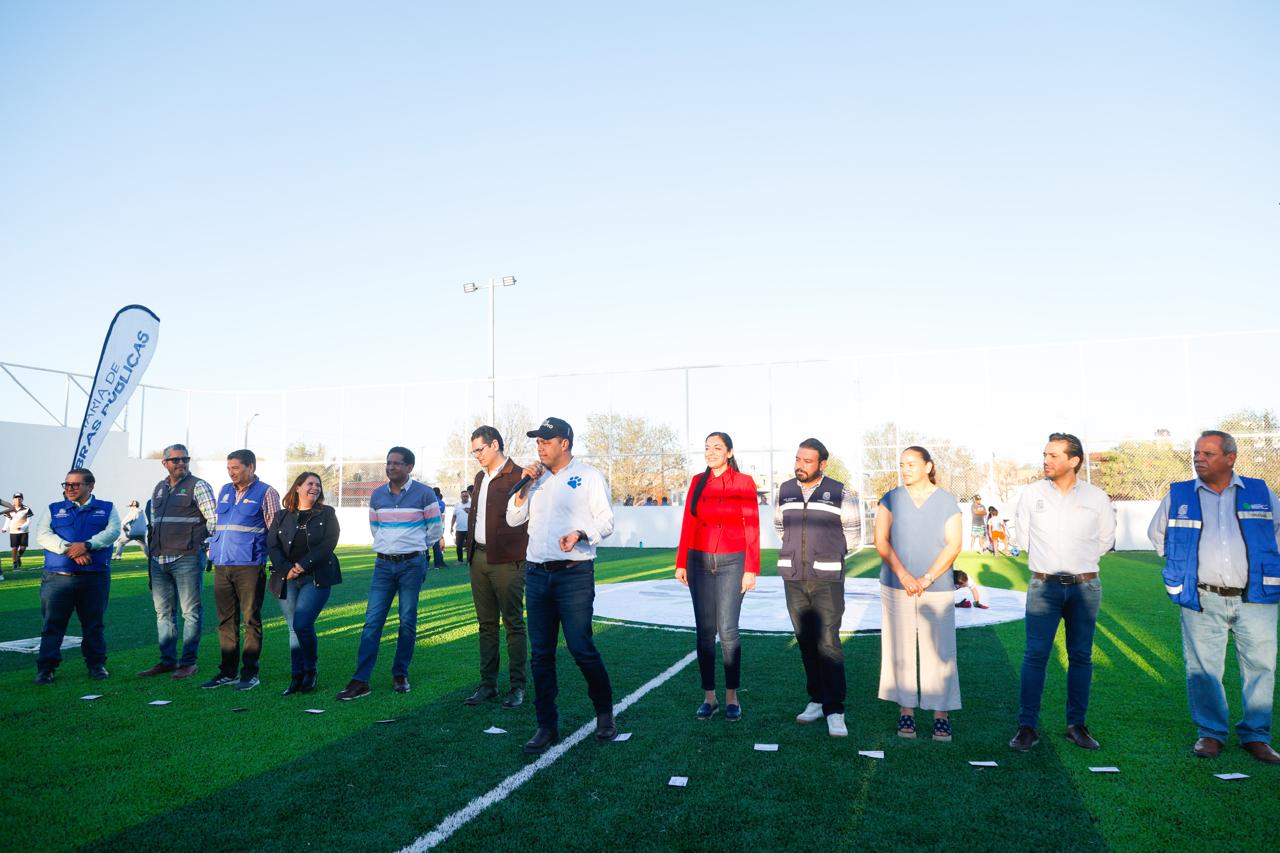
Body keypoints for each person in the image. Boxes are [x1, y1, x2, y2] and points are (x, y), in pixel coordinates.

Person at [1148, 430, 1280, 764]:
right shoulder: (1179, 495)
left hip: (1256, 597)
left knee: (1261, 666)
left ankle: (1256, 735)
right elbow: (1158, 535)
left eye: (1208, 453)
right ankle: (1210, 733)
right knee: (1204, 668)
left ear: (1230, 458)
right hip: (1202, 597)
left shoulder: (1260, 492)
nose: (1199, 459)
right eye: (1196, 453)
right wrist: (1182, 566)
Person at [507, 417, 616, 754]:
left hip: (574, 575)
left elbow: (606, 521)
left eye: (546, 441)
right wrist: (525, 485)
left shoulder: (589, 476)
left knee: (581, 648)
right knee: (541, 654)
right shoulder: (534, 479)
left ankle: (604, 714)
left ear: (564, 443)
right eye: (538, 442)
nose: (540, 447)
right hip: (536, 575)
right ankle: (546, 725)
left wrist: (581, 534)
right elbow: (513, 518)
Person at [1009, 432, 1116, 752]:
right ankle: (1027, 727)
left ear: (1074, 460)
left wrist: (1078, 564)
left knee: (1081, 656)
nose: (1046, 460)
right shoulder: (1031, 494)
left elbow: (1105, 540)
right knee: (1035, 655)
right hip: (1043, 586)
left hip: (1085, 587)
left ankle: (1076, 725)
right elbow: (1023, 538)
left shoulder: (1097, 497)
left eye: (1053, 455)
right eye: (1045, 454)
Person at [335, 446, 442, 700]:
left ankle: (400, 674)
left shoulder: (424, 494)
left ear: (409, 467)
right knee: (372, 622)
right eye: (388, 462)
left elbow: (435, 531)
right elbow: (375, 528)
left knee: (407, 621)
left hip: (412, 565)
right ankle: (361, 680)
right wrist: (391, 548)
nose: (391, 467)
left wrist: (412, 548)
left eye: (396, 463)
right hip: (383, 565)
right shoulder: (377, 495)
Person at [775, 438, 862, 738]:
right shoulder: (785, 490)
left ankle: (835, 709)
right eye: (798, 459)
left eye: (807, 461)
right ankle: (816, 698)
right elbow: (780, 528)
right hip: (794, 577)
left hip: (827, 580)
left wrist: (825, 554)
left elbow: (853, 536)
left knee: (828, 642)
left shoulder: (841, 492)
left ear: (822, 464)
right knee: (806, 640)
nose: (800, 465)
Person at [875, 446, 963, 741]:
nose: (905, 469)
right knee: (899, 649)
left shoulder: (946, 501)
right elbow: (881, 540)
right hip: (895, 585)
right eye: (902, 464)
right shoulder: (891, 499)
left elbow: (954, 545)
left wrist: (926, 578)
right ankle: (906, 711)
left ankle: (941, 715)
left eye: (911, 464)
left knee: (940, 650)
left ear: (928, 466)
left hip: (936, 588)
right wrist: (904, 575)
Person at [674, 431, 760, 721]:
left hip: (733, 562)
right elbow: (688, 522)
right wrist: (681, 562)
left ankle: (732, 696)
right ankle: (709, 698)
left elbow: (752, 526)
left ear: (729, 452)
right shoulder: (697, 481)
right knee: (704, 631)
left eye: (717, 447)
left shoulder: (743, 482)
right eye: (707, 447)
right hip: (697, 561)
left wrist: (751, 568)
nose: (710, 452)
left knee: (728, 630)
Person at [201, 449, 281, 691]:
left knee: (250, 621)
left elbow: (274, 530)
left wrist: (274, 562)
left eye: (235, 468)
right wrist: (211, 548)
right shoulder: (225, 490)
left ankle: (250, 673)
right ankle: (227, 672)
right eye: (229, 468)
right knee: (225, 621)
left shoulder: (267, 492)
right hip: (222, 564)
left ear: (251, 467)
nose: (231, 472)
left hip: (249, 565)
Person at [33, 469, 120, 683]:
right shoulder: (53, 509)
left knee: (93, 625)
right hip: (57, 578)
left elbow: (113, 532)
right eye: (66, 484)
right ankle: (46, 669)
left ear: (90, 486)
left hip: (94, 577)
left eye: (75, 484)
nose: (69, 488)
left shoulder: (107, 508)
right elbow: (42, 535)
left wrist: (87, 545)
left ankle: (96, 665)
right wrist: (70, 549)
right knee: (52, 625)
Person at [463, 426, 529, 709]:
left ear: (495, 445)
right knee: (486, 625)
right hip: (478, 558)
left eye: (479, 449)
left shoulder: (520, 475)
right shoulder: (480, 477)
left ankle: (517, 687)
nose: (476, 455)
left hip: (508, 561)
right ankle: (488, 685)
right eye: (474, 451)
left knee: (513, 624)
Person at [139, 444, 216, 680]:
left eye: (185, 459)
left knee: (190, 613)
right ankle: (167, 661)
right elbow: (154, 524)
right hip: (158, 559)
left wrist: (203, 545)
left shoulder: (199, 486)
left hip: (186, 558)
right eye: (176, 460)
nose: (181, 463)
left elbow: (214, 520)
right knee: (163, 613)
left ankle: (188, 662)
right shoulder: (159, 488)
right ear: (165, 463)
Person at [267, 471, 342, 696]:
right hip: (287, 578)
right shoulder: (281, 516)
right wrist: (286, 569)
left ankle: (310, 671)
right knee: (293, 628)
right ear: (297, 487)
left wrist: (301, 565)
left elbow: (329, 543)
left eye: (318, 485)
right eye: (310, 484)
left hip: (316, 576)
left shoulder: (327, 513)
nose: (315, 488)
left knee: (302, 624)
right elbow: (272, 546)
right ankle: (296, 676)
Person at [4, 493, 35, 575]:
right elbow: (7, 520)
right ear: (13, 499)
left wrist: (22, 527)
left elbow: (29, 521)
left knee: (23, 547)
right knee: (14, 548)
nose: (18, 500)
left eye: (19, 498)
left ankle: (18, 557)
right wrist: (5, 528)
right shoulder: (9, 509)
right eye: (16, 498)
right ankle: (14, 562)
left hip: (24, 531)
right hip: (13, 531)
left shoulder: (26, 509)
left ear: (22, 499)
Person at [451, 488, 471, 564]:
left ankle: (469, 560)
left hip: (469, 529)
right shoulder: (457, 505)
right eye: (463, 496)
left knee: (470, 546)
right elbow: (454, 516)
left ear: (468, 497)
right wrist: (451, 527)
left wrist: (469, 511)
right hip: (459, 529)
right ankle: (460, 560)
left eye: (466, 496)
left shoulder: (472, 504)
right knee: (459, 545)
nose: (465, 497)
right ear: (461, 497)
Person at [432, 486, 449, 568]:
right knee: (437, 545)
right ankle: (438, 563)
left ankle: (426, 563)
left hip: (428, 525)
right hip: (438, 526)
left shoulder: (429, 501)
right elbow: (442, 515)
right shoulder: (441, 503)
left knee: (425, 545)